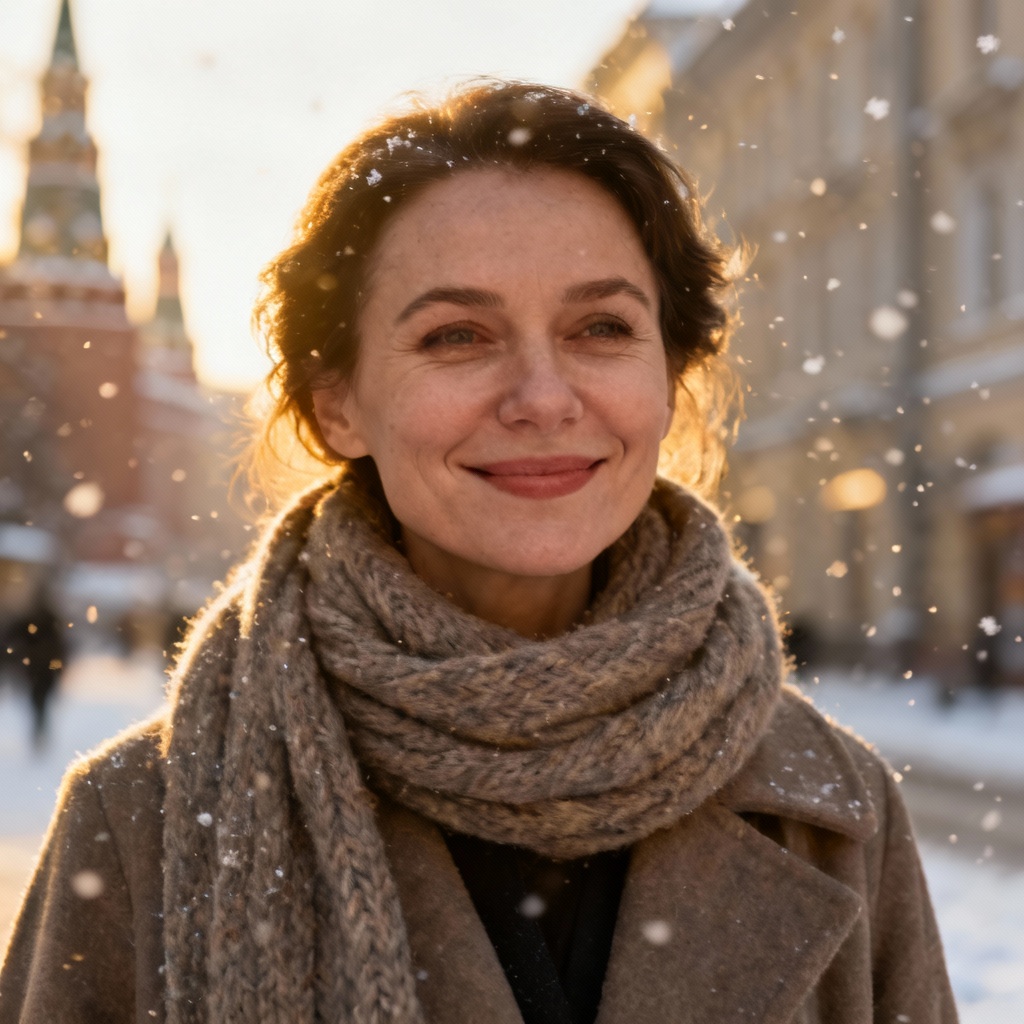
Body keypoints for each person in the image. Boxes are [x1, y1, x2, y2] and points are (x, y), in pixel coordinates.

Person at [0, 81, 957, 1024]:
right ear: (337, 402)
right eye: (457, 335)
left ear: (670, 376)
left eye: (602, 328)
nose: (543, 397)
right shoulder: (147, 817)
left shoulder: (830, 805)